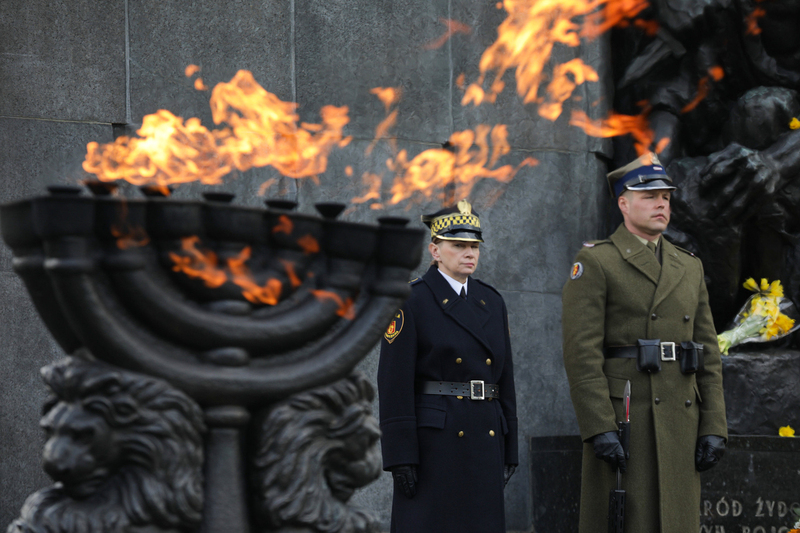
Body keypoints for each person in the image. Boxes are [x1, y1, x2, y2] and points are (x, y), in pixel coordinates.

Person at [561, 153, 728, 533]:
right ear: (624, 203)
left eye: (666, 198)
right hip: (627, 418)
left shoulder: (688, 265)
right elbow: (581, 354)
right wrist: (599, 425)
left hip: (680, 415)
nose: (661, 205)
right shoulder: (597, 262)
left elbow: (708, 351)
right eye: (650, 196)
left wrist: (714, 424)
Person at [377, 199, 518, 533]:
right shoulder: (411, 300)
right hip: (435, 443)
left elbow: (505, 377)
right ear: (435, 250)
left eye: (474, 246)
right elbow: (394, 382)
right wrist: (400, 455)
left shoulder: (491, 301)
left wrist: (509, 444)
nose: (469, 253)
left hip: (485, 434)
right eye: (458, 246)